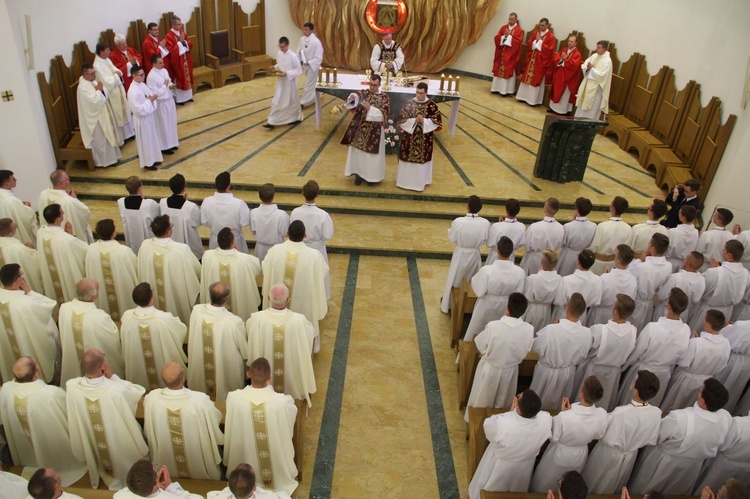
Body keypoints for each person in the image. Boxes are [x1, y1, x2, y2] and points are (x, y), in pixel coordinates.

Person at [628, 378, 732, 495]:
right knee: (676, 492)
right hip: (692, 467)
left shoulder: (680, 418)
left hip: (665, 461)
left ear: (702, 401)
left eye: (700, 390)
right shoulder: (725, 417)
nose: (699, 391)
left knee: (648, 487)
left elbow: (658, 435)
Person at [66, 348, 148, 490]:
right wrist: (113, 378)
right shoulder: (116, 390)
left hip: (93, 438)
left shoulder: (72, 387)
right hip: (116, 435)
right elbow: (137, 392)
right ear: (103, 366)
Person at [0, 357, 87, 486]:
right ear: (36, 374)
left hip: (24, 449)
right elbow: (71, 414)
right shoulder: (51, 394)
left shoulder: (5, 390)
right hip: (53, 446)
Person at [223, 358, 298, 496]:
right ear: (269, 377)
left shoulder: (234, 398)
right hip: (275, 460)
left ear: (248, 375)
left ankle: (245, 483)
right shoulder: (282, 402)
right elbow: (289, 423)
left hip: (244, 457)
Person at [582, 370, 662, 494]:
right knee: (613, 485)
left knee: (594, 481)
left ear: (636, 390)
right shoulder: (656, 413)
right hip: (629, 456)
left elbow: (602, 431)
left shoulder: (621, 413)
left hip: (608, 454)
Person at [144, 363, 224, 481]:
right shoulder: (199, 401)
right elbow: (215, 418)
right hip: (198, 458)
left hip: (166, 458)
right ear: (183, 378)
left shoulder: (151, 399)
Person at [530, 376, 608, 492]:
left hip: (560, 453)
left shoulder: (565, 417)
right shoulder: (601, 414)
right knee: (568, 484)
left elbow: (555, 438)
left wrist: (563, 413)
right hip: (581, 453)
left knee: (547, 481)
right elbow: (599, 435)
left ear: (581, 394)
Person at [468, 389, 552, 497]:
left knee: (490, 487)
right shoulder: (545, 420)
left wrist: (510, 413)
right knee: (516, 491)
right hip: (525, 465)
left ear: (517, 403)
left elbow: (487, 428)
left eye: (518, 396)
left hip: (501, 463)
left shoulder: (504, 423)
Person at [617, 287, 691, 406]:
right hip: (663, 374)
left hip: (643, 371)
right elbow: (681, 357)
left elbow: (638, 351)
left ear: (668, 306)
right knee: (651, 404)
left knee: (631, 403)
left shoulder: (653, 328)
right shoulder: (686, 330)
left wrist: (624, 367)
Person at [247, 283, 316, 407]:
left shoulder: (256, 320)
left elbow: (250, 343)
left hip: (263, 377)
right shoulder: (299, 322)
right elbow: (309, 341)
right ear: (288, 300)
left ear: (268, 298)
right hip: (292, 374)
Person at [261, 220, 328, 350]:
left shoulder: (275, 251)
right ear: (305, 236)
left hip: (278, 302)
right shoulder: (314, 256)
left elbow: (265, 267)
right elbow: (322, 273)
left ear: (287, 233)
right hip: (304, 303)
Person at [465, 292, 533, 417]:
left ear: (507, 308)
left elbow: (480, 345)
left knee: (483, 399)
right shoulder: (528, 329)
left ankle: (477, 421)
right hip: (511, 371)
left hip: (491, 369)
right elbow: (527, 349)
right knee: (503, 403)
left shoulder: (493, 326)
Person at [530, 293, 593, 411]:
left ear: (567, 309)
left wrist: (555, 328)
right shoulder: (587, 333)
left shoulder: (552, 329)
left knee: (536, 402)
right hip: (567, 373)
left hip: (546, 372)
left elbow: (537, 347)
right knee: (559, 405)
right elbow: (582, 357)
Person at [574, 293, 637, 410]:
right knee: (604, 402)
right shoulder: (633, 331)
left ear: (615, 311)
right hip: (614, 372)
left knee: (585, 401)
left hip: (594, 369)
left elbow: (586, 349)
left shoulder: (600, 330)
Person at [661, 309, 731, 412]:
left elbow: (683, 363)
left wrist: (692, 342)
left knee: (673, 404)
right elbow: (722, 366)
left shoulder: (697, 343)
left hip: (686, 379)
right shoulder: (726, 344)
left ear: (707, 324)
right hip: (706, 382)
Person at [187, 282, 247, 402]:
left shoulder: (196, 312)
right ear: (228, 299)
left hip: (200, 370)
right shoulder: (234, 322)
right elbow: (245, 351)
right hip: (224, 371)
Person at [121, 282, 187, 391]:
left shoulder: (127, 317)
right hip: (162, 362)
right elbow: (180, 331)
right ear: (152, 298)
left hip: (138, 364)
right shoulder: (164, 319)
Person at [0, 264, 59, 383]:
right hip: (27, 345)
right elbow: (49, 305)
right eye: (21, 274)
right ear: (18, 280)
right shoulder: (27, 303)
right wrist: (30, 292)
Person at [137, 214, 201, 324]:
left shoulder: (144, 246)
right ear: (168, 231)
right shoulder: (181, 250)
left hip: (153, 299)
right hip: (175, 297)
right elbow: (197, 271)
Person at [59, 278, 124, 385]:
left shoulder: (64, 309)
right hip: (95, 369)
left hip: (72, 363)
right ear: (93, 297)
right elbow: (112, 342)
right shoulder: (100, 317)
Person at [464, 236, 526, 341]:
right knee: (499, 337)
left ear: (497, 250)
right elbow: (518, 293)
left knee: (478, 333)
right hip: (506, 306)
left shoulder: (486, 270)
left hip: (486, 306)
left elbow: (479, 291)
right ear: (511, 252)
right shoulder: (519, 272)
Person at [440, 195, 490, 313]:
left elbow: (452, 237)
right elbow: (486, 239)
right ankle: (470, 306)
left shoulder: (458, 222)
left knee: (455, 279)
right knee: (472, 280)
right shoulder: (485, 223)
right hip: (474, 254)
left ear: (467, 207)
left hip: (461, 254)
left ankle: (450, 304)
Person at [201, 227, 261, 322]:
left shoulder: (207, 256)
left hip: (215, 307)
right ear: (233, 243)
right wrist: (238, 252)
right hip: (240, 304)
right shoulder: (245, 260)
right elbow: (256, 269)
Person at [689, 240, 750, 332]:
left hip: (708, 311)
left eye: (724, 249)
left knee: (698, 335)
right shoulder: (746, 274)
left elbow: (700, 289)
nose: (722, 250)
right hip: (727, 312)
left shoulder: (714, 272)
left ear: (729, 255)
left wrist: (713, 271)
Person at [341, 74, 390, 186]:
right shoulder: (364, 93)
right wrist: (353, 97)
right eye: (371, 84)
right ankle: (358, 175)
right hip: (360, 128)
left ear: (379, 85)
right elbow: (356, 97)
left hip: (374, 131)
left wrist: (370, 109)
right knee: (358, 153)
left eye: (375, 85)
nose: (372, 87)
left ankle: (371, 178)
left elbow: (384, 115)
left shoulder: (384, 97)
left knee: (371, 156)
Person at [85, 218, 138, 321]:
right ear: (114, 233)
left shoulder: (91, 249)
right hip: (123, 293)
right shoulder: (124, 252)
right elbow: (135, 272)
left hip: (101, 295)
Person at [395, 81, 442, 192]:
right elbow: (402, 119)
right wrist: (414, 120)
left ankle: (420, 182)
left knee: (422, 161)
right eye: (417, 92)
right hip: (409, 139)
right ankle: (404, 182)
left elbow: (437, 122)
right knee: (407, 158)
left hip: (424, 140)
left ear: (426, 93)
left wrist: (424, 121)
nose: (419, 95)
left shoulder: (432, 105)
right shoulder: (409, 103)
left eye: (421, 93)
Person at [37, 204, 88, 305]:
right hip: (65, 273)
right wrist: (71, 235)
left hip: (51, 277)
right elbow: (85, 250)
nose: (64, 213)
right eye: (61, 212)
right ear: (57, 219)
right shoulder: (66, 239)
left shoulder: (40, 232)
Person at [290, 180, 333, 298]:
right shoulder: (322, 215)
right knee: (319, 274)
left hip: (299, 247)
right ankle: (319, 299)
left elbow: (292, 229)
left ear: (302, 193)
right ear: (317, 195)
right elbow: (327, 235)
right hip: (317, 248)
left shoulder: (295, 212)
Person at [76, 63, 123, 168]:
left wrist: (100, 89)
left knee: (107, 135)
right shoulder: (83, 87)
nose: (94, 75)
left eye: (94, 72)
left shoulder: (91, 81)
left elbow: (103, 89)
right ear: (85, 75)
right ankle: (103, 162)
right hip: (95, 119)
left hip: (101, 113)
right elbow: (94, 102)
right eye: (92, 73)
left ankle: (113, 157)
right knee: (101, 139)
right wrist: (99, 90)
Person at [627, 233, 674, 330]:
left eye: (649, 243)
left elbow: (628, 273)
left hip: (637, 302)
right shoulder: (668, 266)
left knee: (631, 327)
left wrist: (640, 260)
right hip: (649, 303)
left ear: (652, 249)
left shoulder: (642, 267)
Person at [693, 418, 750, 492]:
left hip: (723, 464)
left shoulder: (740, 424)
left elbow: (722, 443)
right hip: (745, 469)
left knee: (709, 486)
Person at [38, 169, 94, 243]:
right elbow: (85, 212)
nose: (69, 180)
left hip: (49, 235)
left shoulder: (43, 194)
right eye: (68, 179)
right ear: (63, 184)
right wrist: (74, 199)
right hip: (65, 239)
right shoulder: (68, 201)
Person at [587, 244, 637, 325]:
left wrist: (606, 277)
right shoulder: (633, 280)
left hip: (601, 315)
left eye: (615, 254)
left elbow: (595, 299)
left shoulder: (605, 278)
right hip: (620, 317)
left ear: (617, 260)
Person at [93, 42, 133, 141]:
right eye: (107, 50)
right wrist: (116, 75)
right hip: (112, 93)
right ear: (101, 52)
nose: (110, 52)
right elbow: (106, 82)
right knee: (118, 113)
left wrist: (118, 73)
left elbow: (116, 70)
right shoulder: (97, 65)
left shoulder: (106, 59)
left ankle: (129, 133)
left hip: (117, 88)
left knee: (124, 110)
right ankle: (123, 136)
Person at [202, 171, 251, 252]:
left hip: (216, 240)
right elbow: (245, 223)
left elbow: (204, 221)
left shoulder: (207, 202)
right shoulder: (239, 204)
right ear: (228, 186)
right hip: (234, 240)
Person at [159, 174, 203, 260]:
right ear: (184, 187)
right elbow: (197, 222)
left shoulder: (163, 202)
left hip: (170, 242)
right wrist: (186, 202)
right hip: (187, 245)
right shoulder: (190, 206)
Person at [653, 251, 705, 322]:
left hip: (667, 311)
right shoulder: (701, 280)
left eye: (686, 259)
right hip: (683, 313)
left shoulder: (675, 278)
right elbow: (696, 300)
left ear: (688, 263)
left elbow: (661, 295)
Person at [552, 249, 602, 324]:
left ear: (578, 261)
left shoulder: (567, 280)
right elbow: (596, 302)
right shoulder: (598, 280)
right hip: (581, 315)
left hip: (565, 314)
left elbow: (558, 301)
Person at [128, 64, 163, 170]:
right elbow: (138, 110)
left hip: (149, 116)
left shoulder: (142, 85)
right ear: (134, 75)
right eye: (141, 75)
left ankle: (154, 158)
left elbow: (150, 95)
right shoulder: (132, 91)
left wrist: (152, 99)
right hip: (142, 120)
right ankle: (148, 163)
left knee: (152, 138)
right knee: (146, 141)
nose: (144, 77)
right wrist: (150, 101)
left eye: (144, 74)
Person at [264, 37, 303, 128]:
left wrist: (287, 73)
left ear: (287, 45)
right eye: (280, 47)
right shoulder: (279, 53)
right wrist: (274, 67)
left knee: (291, 100)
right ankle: (273, 120)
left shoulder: (293, 56)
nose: (281, 49)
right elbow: (280, 64)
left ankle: (294, 118)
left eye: (283, 47)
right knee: (277, 99)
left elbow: (299, 70)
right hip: (281, 82)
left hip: (290, 82)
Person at [113, 458, 202, 498]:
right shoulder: (168, 497)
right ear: (155, 482)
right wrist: (169, 486)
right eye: (155, 468)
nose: (157, 468)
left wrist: (157, 487)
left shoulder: (120, 495)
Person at [516, 18, 556, 106]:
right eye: (540, 25)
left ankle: (533, 100)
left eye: (543, 25)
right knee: (527, 77)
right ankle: (522, 97)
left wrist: (540, 42)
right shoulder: (535, 33)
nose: (541, 27)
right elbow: (529, 43)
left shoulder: (550, 36)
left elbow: (550, 50)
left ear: (547, 25)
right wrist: (536, 41)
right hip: (532, 60)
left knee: (536, 79)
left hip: (540, 62)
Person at [520, 197, 564, 275]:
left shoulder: (534, 227)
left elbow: (527, 246)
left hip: (535, 259)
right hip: (551, 260)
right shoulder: (561, 228)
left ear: (545, 209)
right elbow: (560, 245)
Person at [714, 319, 750, 412]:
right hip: (747, 365)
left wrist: (731, 328)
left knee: (723, 382)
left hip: (735, 360)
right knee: (736, 389)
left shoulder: (742, 326)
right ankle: (726, 409)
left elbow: (726, 337)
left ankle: (711, 404)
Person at [589, 197, 632, 275]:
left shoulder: (602, 226)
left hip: (598, 264)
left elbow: (593, 247)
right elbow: (626, 248)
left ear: (613, 208)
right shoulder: (628, 228)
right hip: (614, 264)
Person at [522, 249, 563, 332]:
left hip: (531, 309)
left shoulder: (532, 278)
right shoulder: (559, 279)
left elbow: (525, 294)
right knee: (541, 332)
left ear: (542, 264)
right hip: (546, 311)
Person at [146, 55, 180, 154]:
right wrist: (165, 85)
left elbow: (168, 80)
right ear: (154, 64)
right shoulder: (151, 76)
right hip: (161, 104)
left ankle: (172, 143)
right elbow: (155, 93)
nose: (163, 64)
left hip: (169, 101)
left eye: (163, 62)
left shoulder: (164, 71)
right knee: (163, 125)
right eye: (160, 63)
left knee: (171, 123)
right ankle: (165, 146)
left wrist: (170, 85)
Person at [118, 175, 160, 252]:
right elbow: (158, 215)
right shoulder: (149, 204)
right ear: (140, 188)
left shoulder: (121, 202)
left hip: (131, 240)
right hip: (147, 243)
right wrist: (143, 199)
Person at [250, 183, 290, 263]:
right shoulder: (281, 215)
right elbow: (285, 233)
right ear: (273, 197)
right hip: (277, 249)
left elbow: (253, 231)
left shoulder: (254, 212)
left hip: (260, 249)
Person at [0, 218, 43, 292]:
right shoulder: (18, 249)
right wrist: (32, 250)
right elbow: (37, 264)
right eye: (15, 227)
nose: (16, 228)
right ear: (9, 233)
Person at [557, 197, 596, 277]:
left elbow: (562, 243)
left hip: (568, 256)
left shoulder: (568, 226)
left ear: (576, 209)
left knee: (565, 277)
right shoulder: (593, 226)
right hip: (584, 256)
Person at [574, 40, 614, 120]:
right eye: (597, 47)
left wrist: (592, 69)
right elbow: (584, 65)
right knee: (581, 108)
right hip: (587, 86)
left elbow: (602, 76)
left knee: (591, 111)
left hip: (596, 91)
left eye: (599, 48)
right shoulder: (594, 56)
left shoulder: (607, 61)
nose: (596, 49)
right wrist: (588, 69)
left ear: (605, 49)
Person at [208, 463, 293, 499]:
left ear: (228, 485)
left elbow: (211, 495)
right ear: (255, 487)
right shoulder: (268, 497)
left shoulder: (219, 497)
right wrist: (260, 491)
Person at [0, 169, 38, 247]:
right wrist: (25, 207)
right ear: (6, 183)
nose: (15, 180)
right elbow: (27, 218)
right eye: (13, 179)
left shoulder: (4, 196)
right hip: (16, 232)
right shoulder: (10, 200)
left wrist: (20, 204)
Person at [490, 12, 524, 96]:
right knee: (499, 68)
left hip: (510, 55)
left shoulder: (519, 30)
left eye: (512, 19)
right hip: (501, 53)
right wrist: (503, 37)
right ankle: (496, 88)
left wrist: (508, 37)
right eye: (509, 19)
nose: (510, 21)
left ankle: (505, 91)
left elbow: (518, 42)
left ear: (516, 20)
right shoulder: (504, 28)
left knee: (507, 70)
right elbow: (497, 38)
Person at [485, 198, 525, 266]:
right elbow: (521, 243)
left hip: (496, 256)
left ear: (506, 210)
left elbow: (489, 243)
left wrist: (500, 224)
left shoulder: (496, 226)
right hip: (510, 257)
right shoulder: (522, 227)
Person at [548, 35, 582, 115]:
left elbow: (574, 66)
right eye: (569, 41)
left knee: (563, 95)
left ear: (575, 43)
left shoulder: (577, 54)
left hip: (567, 78)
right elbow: (556, 58)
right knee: (556, 91)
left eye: (571, 42)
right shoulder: (564, 49)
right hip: (559, 75)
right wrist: (561, 59)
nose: (569, 43)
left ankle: (562, 111)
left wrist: (565, 60)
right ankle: (553, 108)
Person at [165, 16, 194, 104]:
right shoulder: (169, 36)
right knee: (179, 77)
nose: (180, 26)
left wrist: (184, 42)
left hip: (185, 59)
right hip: (177, 61)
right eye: (178, 24)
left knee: (187, 76)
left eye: (180, 24)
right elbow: (170, 50)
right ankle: (180, 99)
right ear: (173, 24)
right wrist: (180, 43)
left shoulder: (182, 32)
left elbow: (189, 43)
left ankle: (188, 96)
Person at [297, 22, 324, 108]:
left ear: (311, 31)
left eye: (306, 29)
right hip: (306, 66)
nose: (304, 31)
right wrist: (300, 60)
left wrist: (310, 62)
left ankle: (304, 102)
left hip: (313, 67)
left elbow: (318, 57)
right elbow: (299, 50)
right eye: (303, 29)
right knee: (312, 84)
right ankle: (316, 96)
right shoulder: (302, 39)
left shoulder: (316, 42)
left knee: (308, 84)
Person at [666, 205, 700, 272]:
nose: (678, 214)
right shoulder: (696, 233)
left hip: (670, 262)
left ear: (683, 217)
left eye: (679, 213)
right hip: (685, 264)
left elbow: (667, 248)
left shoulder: (672, 232)